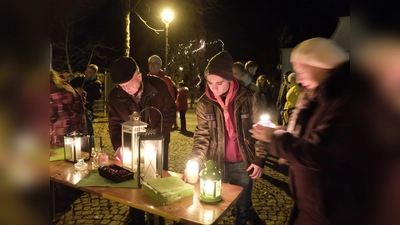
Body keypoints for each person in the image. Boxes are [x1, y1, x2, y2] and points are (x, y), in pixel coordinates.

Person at [250, 37, 356, 225]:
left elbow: (320, 150)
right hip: (312, 207)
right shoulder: (319, 97)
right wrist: (279, 130)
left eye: (301, 70)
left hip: (332, 212)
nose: (298, 79)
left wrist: (275, 137)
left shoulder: (346, 101)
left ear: (321, 65)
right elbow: (308, 136)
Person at [183, 51, 268, 225]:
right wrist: (195, 162)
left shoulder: (248, 98)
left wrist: (259, 158)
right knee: (210, 204)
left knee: (243, 207)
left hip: (243, 163)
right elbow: (202, 136)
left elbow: (261, 128)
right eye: (209, 82)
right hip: (215, 163)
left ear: (230, 78)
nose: (214, 88)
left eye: (219, 83)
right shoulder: (204, 103)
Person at [108, 56, 176, 225]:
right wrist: (118, 146)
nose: (126, 89)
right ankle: (136, 217)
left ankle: (158, 215)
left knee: (157, 179)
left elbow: (169, 113)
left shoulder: (158, 87)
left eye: (129, 84)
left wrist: (157, 136)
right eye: (121, 86)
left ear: (139, 75)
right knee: (133, 181)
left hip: (157, 145)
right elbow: (115, 124)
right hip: (132, 146)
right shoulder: (116, 96)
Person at [50, 69, 86, 146]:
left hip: (59, 135)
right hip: (77, 133)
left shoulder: (50, 91)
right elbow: (80, 108)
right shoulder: (66, 86)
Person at [148, 55, 178, 130]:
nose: (152, 65)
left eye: (155, 63)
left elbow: (171, 100)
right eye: (150, 63)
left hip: (160, 116)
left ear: (160, 65)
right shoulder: (145, 79)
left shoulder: (166, 81)